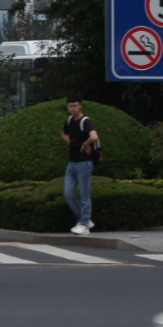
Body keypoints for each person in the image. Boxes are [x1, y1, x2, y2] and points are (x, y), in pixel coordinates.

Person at [61, 93, 98, 235]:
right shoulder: (69, 120)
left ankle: (84, 224)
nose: (73, 108)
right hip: (72, 162)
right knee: (68, 193)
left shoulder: (85, 121)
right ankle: (85, 219)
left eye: (75, 106)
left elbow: (94, 136)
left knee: (84, 195)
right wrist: (70, 141)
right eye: (70, 106)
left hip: (84, 163)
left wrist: (85, 143)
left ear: (80, 106)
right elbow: (64, 134)